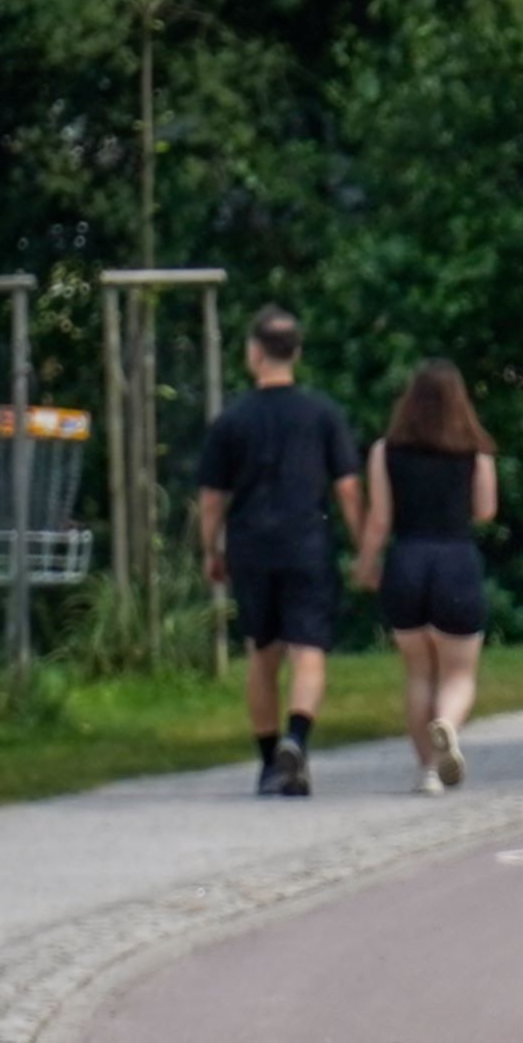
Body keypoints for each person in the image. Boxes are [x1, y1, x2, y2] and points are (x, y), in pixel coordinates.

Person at [194, 307, 361, 798]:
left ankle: (270, 763)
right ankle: (297, 739)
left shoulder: (232, 420)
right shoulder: (323, 415)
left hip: (250, 547)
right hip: (308, 543)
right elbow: (348, 488)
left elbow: (209, 499)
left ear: (253, 353)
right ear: (297, 353)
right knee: (308, 651)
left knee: (262, 655)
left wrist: (211, 549)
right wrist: (362, 544)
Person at [352, 358, 499, 794]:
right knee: (458, 674)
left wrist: (364, 565)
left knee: (418, 673)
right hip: (455, 561)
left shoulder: (385, 451)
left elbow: (379, 520)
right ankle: (448, 726)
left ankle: (429, 772)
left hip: (408, 563)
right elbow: (486, 511)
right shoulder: (476, 451)